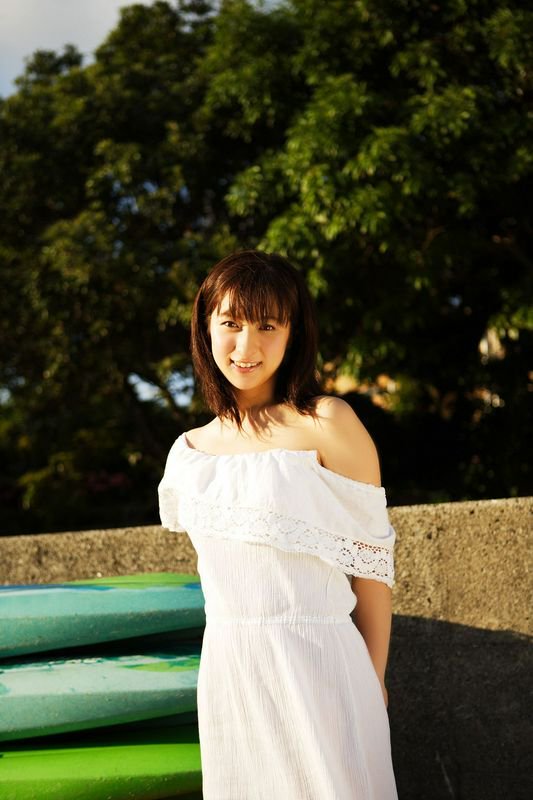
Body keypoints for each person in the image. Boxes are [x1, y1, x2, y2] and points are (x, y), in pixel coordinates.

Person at [158, 249, 398, 799]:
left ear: (294, 333)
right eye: (231, 323)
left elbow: (372, 569)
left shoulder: (328, 423)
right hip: (231, 674)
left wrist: (374, 678)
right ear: (205, 329)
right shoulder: (189, 453)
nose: (246, 346)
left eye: (267, 325)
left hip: (322, 664)